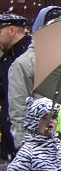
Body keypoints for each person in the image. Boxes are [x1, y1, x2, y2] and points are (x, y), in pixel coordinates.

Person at [9, 6, 61, 152]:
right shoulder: (24, 63)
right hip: (39, 143)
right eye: (52, 25)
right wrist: (24, 148)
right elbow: (18, 110)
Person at [0, 12, 32, 161]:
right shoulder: (6, 58)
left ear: (11, 30)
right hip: (11, 137)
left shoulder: (30, 55)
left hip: (29, 138)